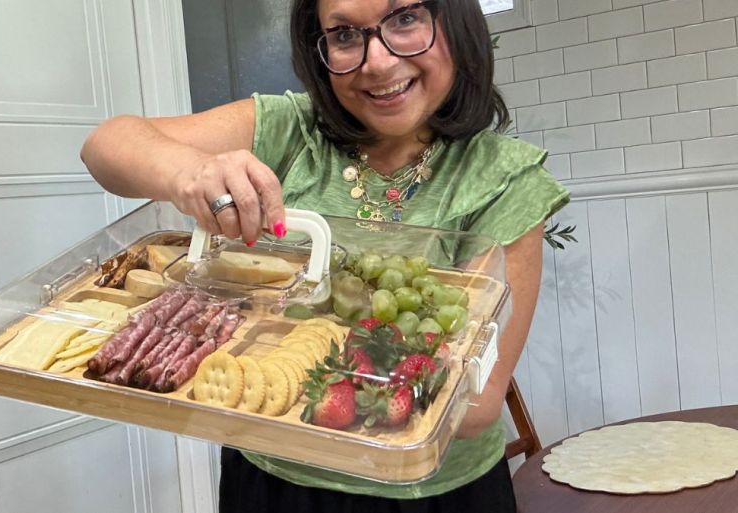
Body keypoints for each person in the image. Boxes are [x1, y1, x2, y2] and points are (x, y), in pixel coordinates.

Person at [81, 0, 569, 511]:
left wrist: (286, 358)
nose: (376, 62)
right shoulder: (290, 130)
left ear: (455, 22)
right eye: (343, 35)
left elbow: (471, 405)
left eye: (405, 17)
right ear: (319, 50)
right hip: (271, 482)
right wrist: (186, 171)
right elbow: (105, 145)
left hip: (429, 493)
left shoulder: (503, 179)